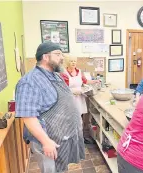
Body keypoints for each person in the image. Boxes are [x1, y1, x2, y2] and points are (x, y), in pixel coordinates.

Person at [15, 42, 85, 173]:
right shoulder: (29, 81)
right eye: (58, 54)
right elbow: (29, 117)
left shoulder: (55, 75)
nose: (62, 58)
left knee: (60, 169)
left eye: (61, 54)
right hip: (47, 140)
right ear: (45, 57)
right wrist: (46, 142)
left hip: (61, 136)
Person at [60, 56, 100, 144]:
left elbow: (85, 81)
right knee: (71, 119)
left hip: (79, 98)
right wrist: (73, 91)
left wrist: (95, 81)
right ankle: (71, 138)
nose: (73, 63)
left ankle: (80, 138)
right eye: (71, 61)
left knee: (80, 118)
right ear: (67, 62)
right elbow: (63, 87)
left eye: (74, 61)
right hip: (69, 98)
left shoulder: (79, 72)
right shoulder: (64, 73)